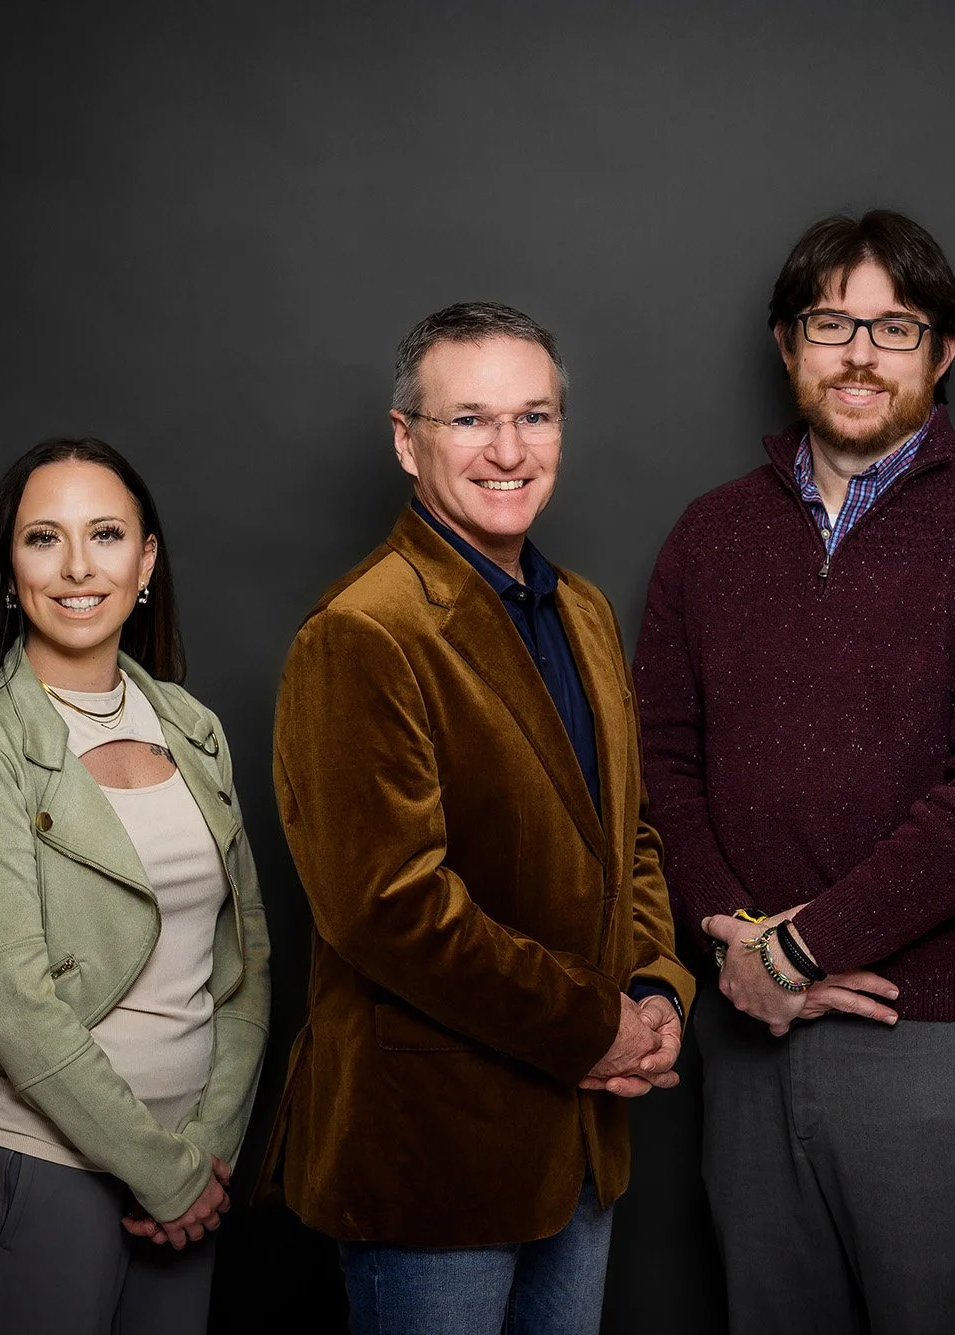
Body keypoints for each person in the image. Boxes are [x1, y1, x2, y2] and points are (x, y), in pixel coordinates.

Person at [634, 210, 955, 1333]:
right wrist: (734, 944)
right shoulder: (708, 536)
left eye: (893, 327)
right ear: (784, 344)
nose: (857, 353)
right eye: (830, 322)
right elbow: (664, 758)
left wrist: (800, 947)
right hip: (749, 1034)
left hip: (933, 1032)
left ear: (942, 353)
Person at [261, 301, 695, 1335]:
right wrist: (596, 1026)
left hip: (579, 1143)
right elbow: (386, 909)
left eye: (533, 417)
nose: (508, 451)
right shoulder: (363, 632)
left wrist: (651, 985)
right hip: (431, 1156)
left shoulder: (582, 611)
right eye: (468, 421)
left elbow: (624, 834)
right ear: (406, 442)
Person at [0, 437, 272, 1334]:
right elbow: (14, 1000)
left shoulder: (193, 726)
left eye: (107, 534)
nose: (78, 566)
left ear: (145, 560)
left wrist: (207, 1149)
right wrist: (163, 1173)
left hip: (194, 1168)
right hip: (44, 1167)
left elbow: (245, 962)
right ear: (9, 569)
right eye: (44, 539)